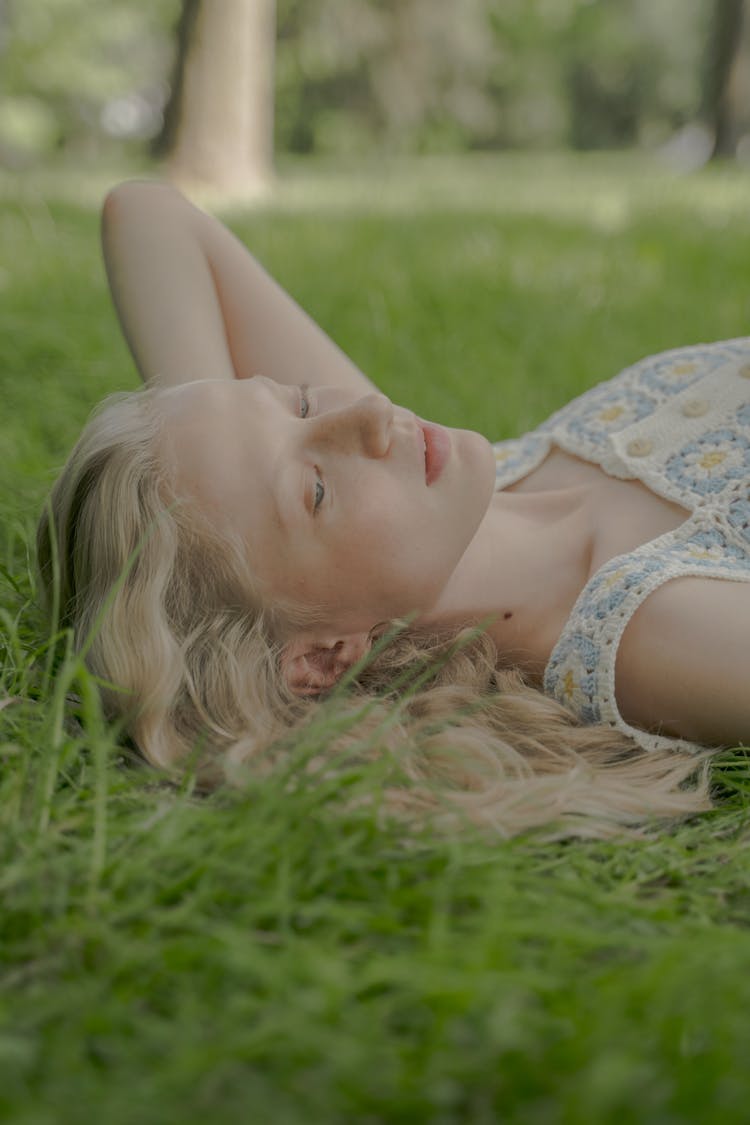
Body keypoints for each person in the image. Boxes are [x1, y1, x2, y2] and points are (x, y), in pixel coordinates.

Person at [36, 180, 750, 838]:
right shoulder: (655, 629)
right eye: (314, 489)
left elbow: (150, 213)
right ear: (322, 655)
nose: (370, 412)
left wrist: (206, 438)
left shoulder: (449, 496)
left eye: (298, 399)